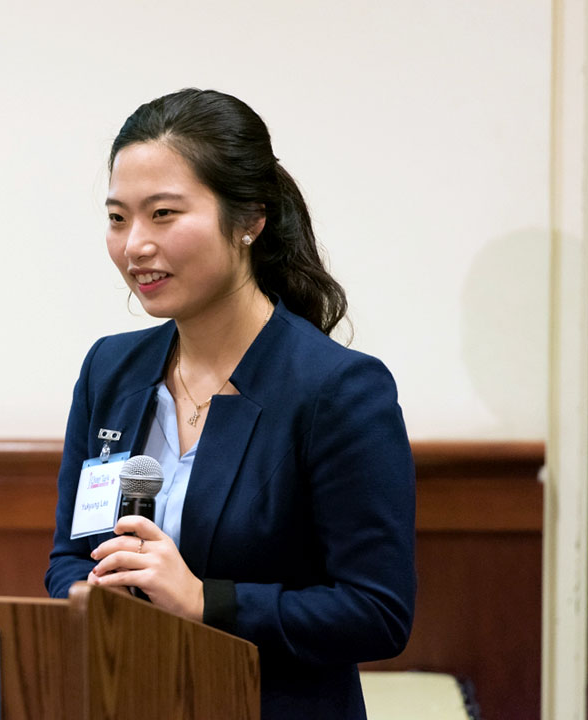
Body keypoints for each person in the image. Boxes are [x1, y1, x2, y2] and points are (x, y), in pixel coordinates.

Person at [44, 88, 415, 719]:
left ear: (248, 220)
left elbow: (376, 612)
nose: (134, 245)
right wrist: (95, 596)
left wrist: (202, 602)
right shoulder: (110, 369)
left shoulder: (338, 390)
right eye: (117, 217)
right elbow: (69, 558)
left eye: (163, 214)